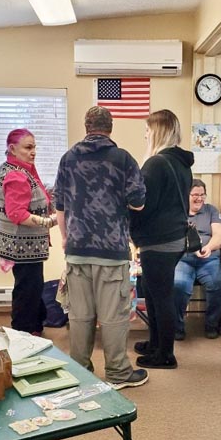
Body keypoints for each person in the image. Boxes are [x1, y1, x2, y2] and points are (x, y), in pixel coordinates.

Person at [54, 106, 149, 390]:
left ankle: (80, 372)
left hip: (77, 249)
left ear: (86, 126)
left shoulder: (68, 159)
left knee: (80, 315)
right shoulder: (122, 159)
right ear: (110, 128)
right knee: (113, 316)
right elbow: (138, 202)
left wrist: (65, 238)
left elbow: (59, 205)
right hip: (111, 251)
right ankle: (118, 373)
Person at [130, 109, 194, 369]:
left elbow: (144, 205)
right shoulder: (181, 163)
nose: (145, 134)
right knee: (156, 296)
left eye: (148, 130)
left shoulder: (156, 163)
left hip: (159, 241)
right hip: (173, 239)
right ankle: (156, 343)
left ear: (158, 131)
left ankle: (165, 354)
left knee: (161, 298)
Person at [0, 128, 56, 336]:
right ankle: (22, 333)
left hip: (20, 245)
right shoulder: (16, 176)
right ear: (12, 149)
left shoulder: (17, 169)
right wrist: (48, 221)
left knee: (32, 287)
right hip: (23, 247)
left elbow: (38, 193)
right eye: (28, 147)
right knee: (27, 290)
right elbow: (17, 214)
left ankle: (35, 326)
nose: (33, 152)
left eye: (34, 147)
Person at [172, 179, 221, 341]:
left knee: (220, 283)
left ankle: (212, 325)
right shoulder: (177, 211)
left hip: (209, 259)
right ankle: (177, 327)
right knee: (178, 285)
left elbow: (219, 235)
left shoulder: (211, 211)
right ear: (186, 195)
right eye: (195, 195)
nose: (199, 198)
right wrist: (190, 247)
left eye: (202, 195)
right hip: (183, 260)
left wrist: (209, 248)